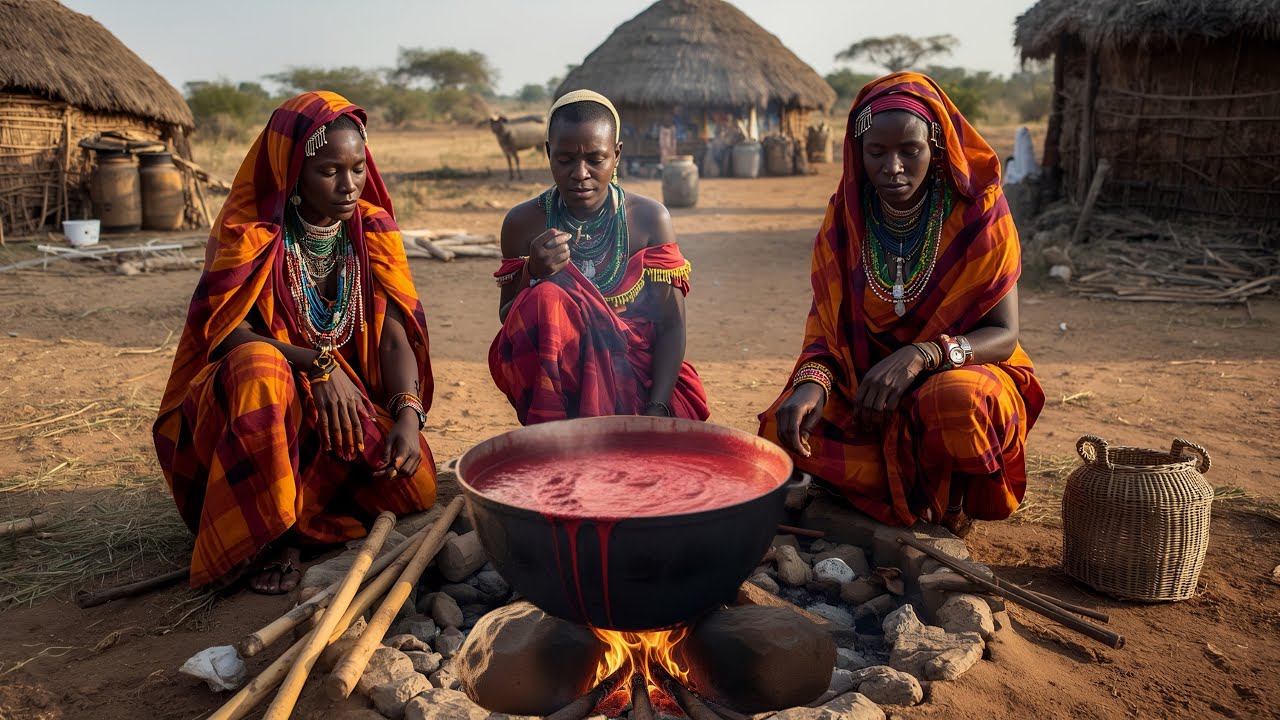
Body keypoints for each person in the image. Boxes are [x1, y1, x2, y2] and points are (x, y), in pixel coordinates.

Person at [153, 92, 437, 594]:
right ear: (294, 172)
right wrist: (318, 366)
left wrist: (409, 416)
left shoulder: (371, 232)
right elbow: (223, 333)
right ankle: (272, 535)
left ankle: (305, 519)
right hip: (258, 407)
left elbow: (394, 338)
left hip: (339, 409)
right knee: (260, 367)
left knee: (415, 485)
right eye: (331, 171)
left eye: (357, 169)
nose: (350, 186)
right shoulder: (252, 236)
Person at [759, 73, 1045, 536]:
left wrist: (921, 356)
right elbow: (827, 328)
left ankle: (950, 504)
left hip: (954, 375)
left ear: (935, 146)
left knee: (958, 403)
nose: (893, 167)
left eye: (909, 152)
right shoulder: (846, 219)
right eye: (877, 153)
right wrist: (813, 383)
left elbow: (1003, 334)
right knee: (781, 430)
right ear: (859, 152)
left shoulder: (977, 211)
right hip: (869, 389)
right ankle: (881, 491)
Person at [490, 90, 709, 425]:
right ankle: (557, 434)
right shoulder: (523, 224)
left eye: (596, 159)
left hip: (639, 386)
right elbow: (510, 321)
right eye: (565, 160)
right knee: (546, 297)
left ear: (616, 155)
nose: (580, 173)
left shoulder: (649, 220)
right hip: (562, 395)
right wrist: (532, 274)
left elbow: (671, 324)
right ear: (548, 153)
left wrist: (656, 410)